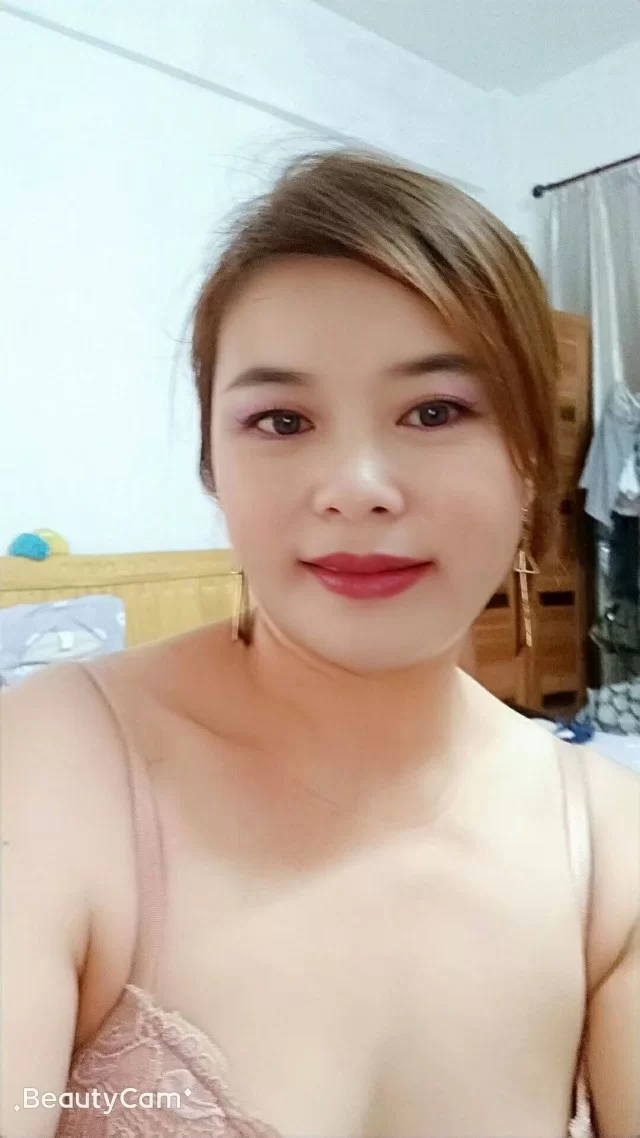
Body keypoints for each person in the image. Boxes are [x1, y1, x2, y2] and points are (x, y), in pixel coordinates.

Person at [2, 150, 638, 1138]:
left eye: (435, 410)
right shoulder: (52, 762)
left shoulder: (610, 847)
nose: (356, 488)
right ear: (212, 467)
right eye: (282, 419)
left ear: (528, 459)